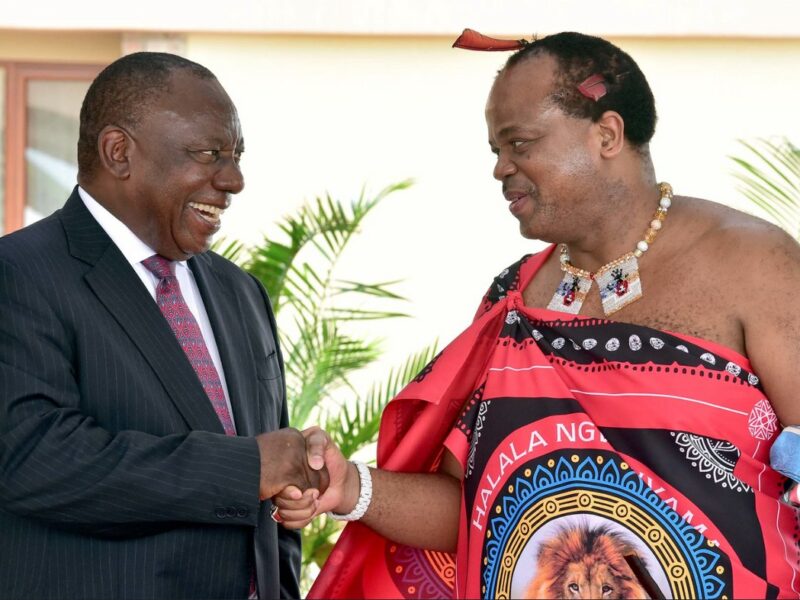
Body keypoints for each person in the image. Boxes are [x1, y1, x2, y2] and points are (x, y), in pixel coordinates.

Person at [279, 31, 800, 598]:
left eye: (520, 143)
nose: (501, 168)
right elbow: (475, 505)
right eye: (496, 151)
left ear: (607, 133)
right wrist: (351, 487)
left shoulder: (754, 263)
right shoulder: (514, 297)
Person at [0, 52, 323, 599]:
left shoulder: (241, 292)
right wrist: (247, 470)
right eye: (208, 154)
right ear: (118, 152)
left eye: (237, 155)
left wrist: (290, 487)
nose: (234, 179)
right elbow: (35, 458)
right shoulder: (20, 275)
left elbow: (267, 491)